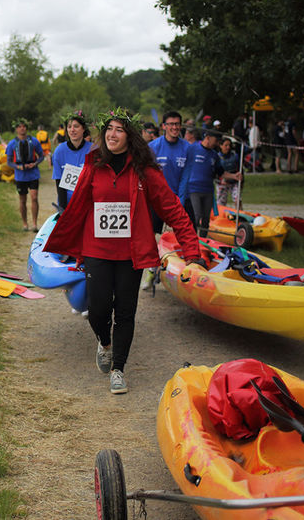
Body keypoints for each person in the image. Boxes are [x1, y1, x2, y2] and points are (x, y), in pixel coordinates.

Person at [44, 108, 202, 394]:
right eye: (109, 129)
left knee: (126, 312)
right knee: (98, 309)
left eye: (119, 129)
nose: (112, 134)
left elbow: (172, 209)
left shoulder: (145, 170)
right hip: (97, 249)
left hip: (132, 253)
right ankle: (104, 343)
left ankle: (119, 368)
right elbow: (77, 205)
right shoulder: (93, 164)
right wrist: (65, 241)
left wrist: (192, 251)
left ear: (130, 136)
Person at [184, 130, 240, 236]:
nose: (217, 143)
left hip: (208, 190)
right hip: (193, 189)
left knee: (206, 219)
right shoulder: (192, 149)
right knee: (196, 216)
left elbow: (221, 172)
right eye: (216, 140)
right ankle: (191, 239)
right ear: (208, 138)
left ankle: (203, 241)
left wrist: (234, 176)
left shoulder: (214, 155)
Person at [148, 111, 194, 231]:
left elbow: (186, 177)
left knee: (189, 230)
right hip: (158, 198)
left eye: (177, 124)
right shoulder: (153, 147)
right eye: (171, 124)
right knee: (152, 233)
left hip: (179, 197)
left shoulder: (187, 148)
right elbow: (149, 176)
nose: (175, 127)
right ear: (164, 126)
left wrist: (180, 202)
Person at [5, 118, 44, 231]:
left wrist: (35, 163)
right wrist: (18, 167)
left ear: (26, 128)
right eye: (20, 126)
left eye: (24, 126)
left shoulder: (34, 141)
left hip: (33, 173)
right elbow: (9, 161)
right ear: (16, 129)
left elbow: (41, 156)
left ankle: (35, 224)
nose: (22, 128)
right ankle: (24, 224)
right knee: (22, 200)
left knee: (34, 197)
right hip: (20, 174)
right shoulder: (12, 143)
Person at [51, 111, 92, 212]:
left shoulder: (93, 150)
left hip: (88, 204)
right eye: (69, 127)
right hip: (67, 203)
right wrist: (63, 209)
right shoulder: (59, 151)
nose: (72, 130)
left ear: (83, 129)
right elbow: (59, 182)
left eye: (76, 126)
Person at [216, 137, 242, 206]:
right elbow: (215, 172)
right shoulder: (217, 157)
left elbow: (240, 170)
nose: (228, 147)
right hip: (222, 183)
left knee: (238, 200)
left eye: (229, 145)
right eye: (226, 145)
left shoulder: (235, 156)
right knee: (221, 203)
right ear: (221, 146)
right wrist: (220, 180)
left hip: (234, 182)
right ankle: (220, 216)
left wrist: (241, 180)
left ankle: (239, 215)